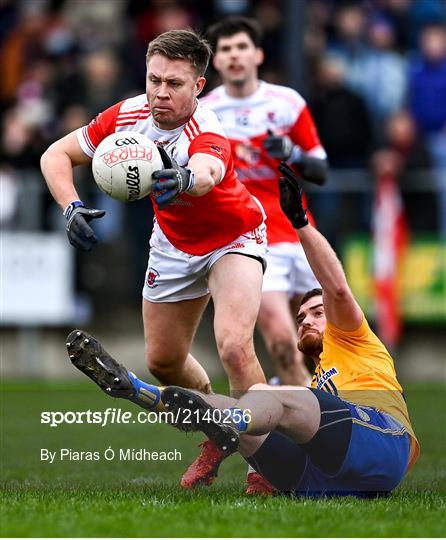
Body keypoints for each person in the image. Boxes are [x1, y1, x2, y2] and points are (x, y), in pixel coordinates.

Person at [66, 161, 419, 497]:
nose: (306, 319)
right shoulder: (317, 382)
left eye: (317, 312)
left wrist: (300, 221)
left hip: (383, 445)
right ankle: (136, 389)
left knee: (270, 396)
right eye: (301, 317)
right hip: (324, 479)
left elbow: (337, 289)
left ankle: (230, 422)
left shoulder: (355, 339)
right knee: (239, 410)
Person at [41, 29, 268, 488]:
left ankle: (264, 463)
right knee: (164, 361)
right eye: (154, 80)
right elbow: (55, 155)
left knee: (232, 346)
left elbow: (207, 173)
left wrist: (183, 179)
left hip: (234, 237)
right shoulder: (127, 114)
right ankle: (217, 429)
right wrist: (70, 206)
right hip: (173, 244)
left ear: (199, 86)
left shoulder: (208, 130)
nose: (161, 93)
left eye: (175, 84)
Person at [203, 17, 328, 387]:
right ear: (216, 61)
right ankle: (319, 431)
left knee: (325, 342)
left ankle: (322, 416)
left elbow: (320, 170)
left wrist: (291, 153)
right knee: (282, 343)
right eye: (225, 50)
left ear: (257, 54)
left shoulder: (287, 103)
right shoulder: (205, 112)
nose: (234, 55)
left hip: (300, 233)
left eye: (241, 47)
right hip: (252, 240)